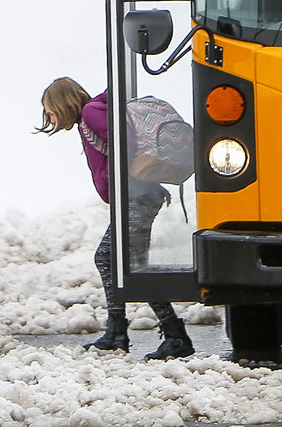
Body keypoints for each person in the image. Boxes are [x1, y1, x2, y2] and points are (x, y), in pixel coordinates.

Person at [37, 77, 194, 360]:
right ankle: (122, 331)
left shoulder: (91, 113)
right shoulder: (91, 117)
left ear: (62, 103)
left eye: (50, 110)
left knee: (123, 262)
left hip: (138, 195)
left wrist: (113, 177)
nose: (49, 117)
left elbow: (125, 142)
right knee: (120, 261)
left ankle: (165, 334)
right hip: (135, 195)